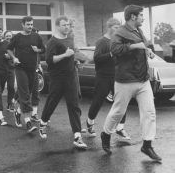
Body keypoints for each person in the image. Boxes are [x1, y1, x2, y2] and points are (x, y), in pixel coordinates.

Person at [101, 5, 161, 161]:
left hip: (143, 79)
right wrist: (136, 46)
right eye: (141, 15)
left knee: (149, 112)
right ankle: (106, 133)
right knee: (118, 112)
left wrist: (149, 50)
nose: (143, 17)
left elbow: (144, 45)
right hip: (125, 80)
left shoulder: (139, 31)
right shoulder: (119, 32)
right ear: (133, 17)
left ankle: (147, 145)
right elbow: (114, 50)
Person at [38, 16, 87, 149]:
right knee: (52, 102)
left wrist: (76, 61)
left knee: (74, 104)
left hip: (70, 76)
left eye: (68, 25)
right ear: (58, 26)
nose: (67, 27)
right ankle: (42, 123)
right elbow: (49, 60)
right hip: (57, 77)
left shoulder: (70, 39)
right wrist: (65, 55)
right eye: (64, 25)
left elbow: (72, 55)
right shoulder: (52, 42)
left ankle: (77, 136)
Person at [86, 18, 130, 140]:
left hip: (117, 76)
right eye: (116, 27)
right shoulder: (102, 41)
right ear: (109, 27)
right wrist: (111, 53)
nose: (118, 30)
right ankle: (90, 122)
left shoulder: (118, 41)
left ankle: (120, 128)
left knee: (122, 100)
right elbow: (97, 58)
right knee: (98, 101)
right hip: (103, 76)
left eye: (119, 27)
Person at [7, 16, 45, 133]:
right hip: (20, 68)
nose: (30, 26)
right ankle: (28, 122)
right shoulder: (17, 37)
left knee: (28, 93)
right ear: (22, 24)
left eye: (31, 24)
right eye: (28, 24)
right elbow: (9, 49)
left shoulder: (36, 36)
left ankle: (18, 113)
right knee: (24, 94)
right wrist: (14, 58)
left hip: (32, 69)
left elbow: (43, 49)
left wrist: (37, 50)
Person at [3, 30, 16, 112]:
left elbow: (17, 55)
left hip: (11, 69)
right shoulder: (1, 44)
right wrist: (3, 56)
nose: (8, 37)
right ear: (4, 37)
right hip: (1, 69)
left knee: (11, 87)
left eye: (10, 35)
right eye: (7, 35)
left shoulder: (15, 45)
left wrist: (11, 57)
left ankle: (9, 104)